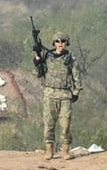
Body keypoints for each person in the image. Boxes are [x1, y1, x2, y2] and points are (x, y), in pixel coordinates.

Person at [34, 31, 83, 160]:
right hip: (50, 94)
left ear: (67, 43)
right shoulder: (47, 56)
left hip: (65, 95)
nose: (60, 44)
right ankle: (49, 150)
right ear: (54, 43)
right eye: (57, 41)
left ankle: (65, 150)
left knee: (65, 125)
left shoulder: (70, 58)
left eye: (62, 41)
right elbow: (39, 73)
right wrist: (37, 59)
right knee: (48, 125)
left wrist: (76, 92)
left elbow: (76, 75)